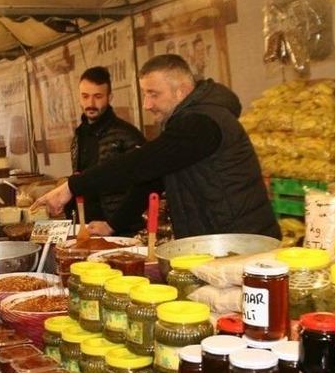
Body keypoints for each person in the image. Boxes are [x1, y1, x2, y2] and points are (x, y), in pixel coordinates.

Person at [34, 54, 280, 240]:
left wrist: (72, 186)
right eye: (144, 94)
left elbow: (141, 164)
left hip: (241, 243)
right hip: (219, 241)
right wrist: (114, 224)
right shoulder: (186, 120)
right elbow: (152, 178)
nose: (147, 104)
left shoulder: (203, 122)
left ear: (181, 91)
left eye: (153, 94)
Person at [68, 66, 146, 235]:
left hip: (122, 230)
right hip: (87, 227)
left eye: (98, 96)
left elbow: (144, 186)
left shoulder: (127, 135)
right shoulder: (78, 136)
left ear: (109, 97)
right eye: (85, 96)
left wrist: (114, 224)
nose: (91, 103)